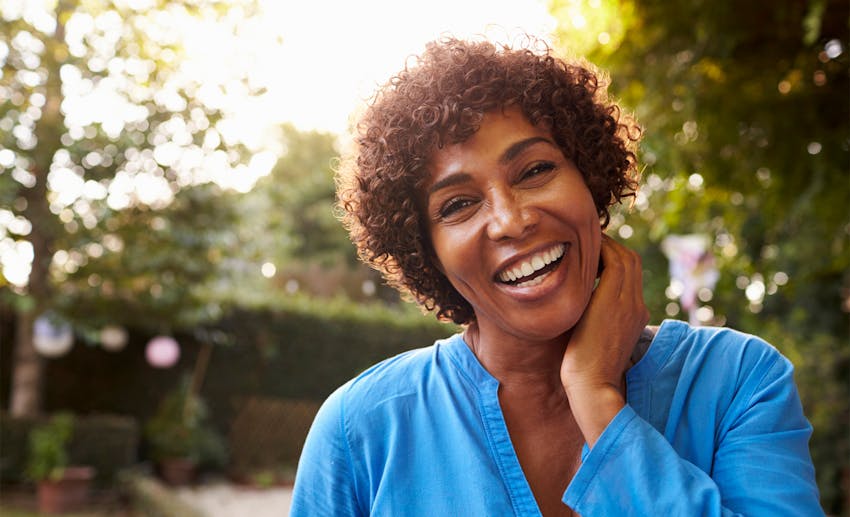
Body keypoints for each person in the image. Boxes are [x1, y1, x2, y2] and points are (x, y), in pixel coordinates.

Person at [289, 36, 823, 516]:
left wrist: (597, 398)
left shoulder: (737, 381)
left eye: (535, 170)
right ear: (427, 254)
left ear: (590, 177)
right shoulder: (361, 431)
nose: (511, 220)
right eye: (457, 205)